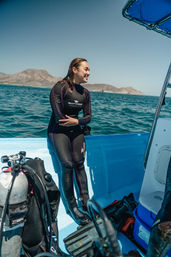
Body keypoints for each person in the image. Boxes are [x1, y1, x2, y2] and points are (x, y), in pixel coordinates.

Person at [48, 58, 92, 226]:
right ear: (74, 69)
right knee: (67, 165)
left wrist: (77, 123)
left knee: (79, 164)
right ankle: (72, 208)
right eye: (85, 69)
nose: (88, 72)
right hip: (58, 131)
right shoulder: (60, 88)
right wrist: (75, 122)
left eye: (89, 70)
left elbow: (88, 116)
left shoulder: (85, 93)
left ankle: (85, 202)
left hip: (76, 130)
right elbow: (59, 116)